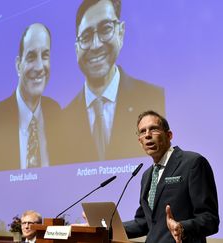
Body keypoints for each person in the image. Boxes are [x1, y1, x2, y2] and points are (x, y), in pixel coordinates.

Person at [61, 0, 165, 164]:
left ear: (121, 32)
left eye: (105, 29)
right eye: (86, 37)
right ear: (76, 49)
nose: (95, 45)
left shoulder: (155, 96)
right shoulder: (64, 118)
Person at [123, 110, 219, 243]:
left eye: (154, 129)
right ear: (140, 141)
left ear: (169, 135)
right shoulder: (146, 176)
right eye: (143, 131)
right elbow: (144, 222)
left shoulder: (193, 163)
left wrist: (182, 228)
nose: (148, 135)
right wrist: (105, 228)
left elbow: (210, 219)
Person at [0, 23, 62, 171]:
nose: (39, 67)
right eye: (31, 57)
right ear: (18, 66)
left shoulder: (56, 112)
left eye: (45, 56)